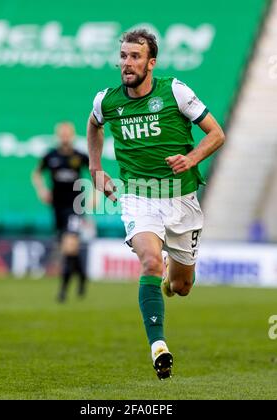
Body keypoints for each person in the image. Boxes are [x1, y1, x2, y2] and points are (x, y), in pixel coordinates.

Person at [87, 29, 225, 380]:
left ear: (151, 62)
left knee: (181, 287)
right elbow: (93, 126)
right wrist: (96, 169)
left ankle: (170, 277)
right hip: (138, 197)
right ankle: (158, 346)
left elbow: (217, 134)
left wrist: (192, 158)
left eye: (135, 57)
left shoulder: (175, 91)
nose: (127, 63)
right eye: (123, 56)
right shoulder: (107, 101)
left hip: (182, 201)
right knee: (149, 261)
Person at [32, 122, 90, 302]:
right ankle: (82, 276)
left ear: (72, 136)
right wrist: (42, 190)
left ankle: (63, 291)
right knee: (70, 249)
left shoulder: (79, 156)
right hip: (57, 207)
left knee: (69, 245)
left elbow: (95, 173)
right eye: (62, 134)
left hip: (75, 207)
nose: (65, 137)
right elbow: (36, 174)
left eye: (68, 134)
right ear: (58, 136)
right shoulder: (51, 156)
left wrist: (95, 194)